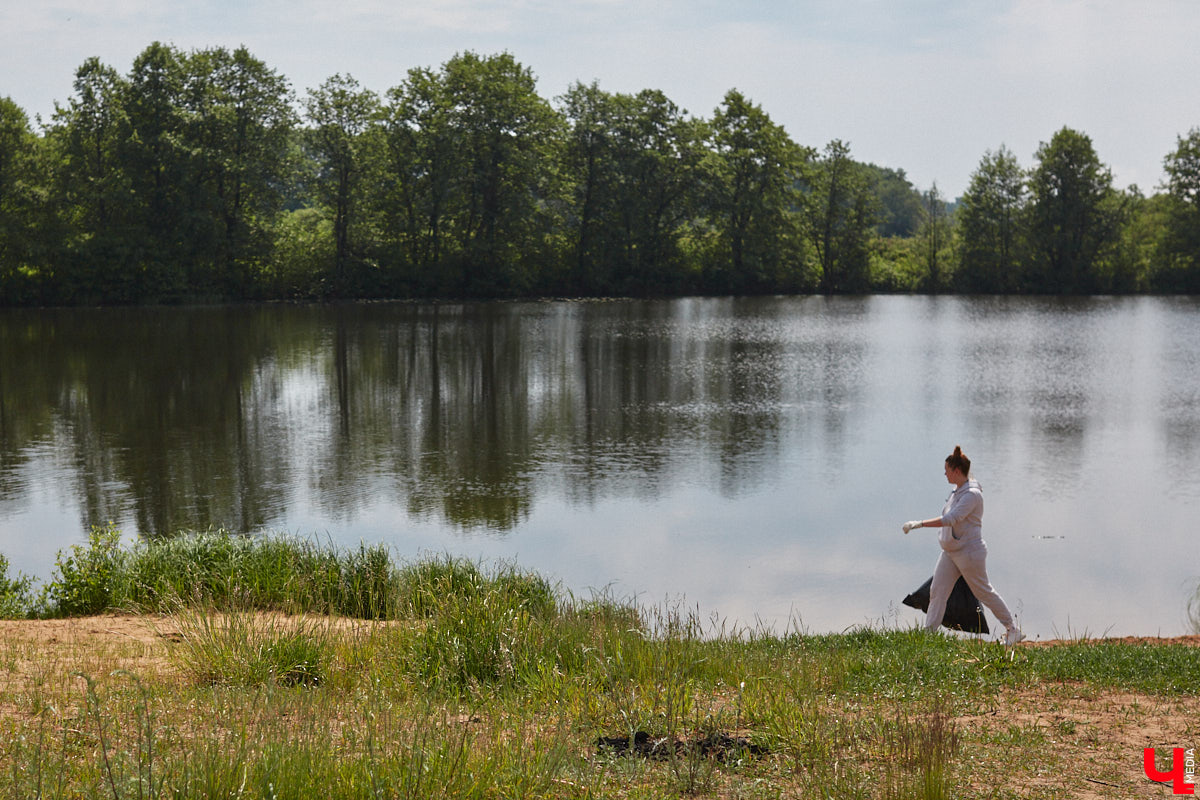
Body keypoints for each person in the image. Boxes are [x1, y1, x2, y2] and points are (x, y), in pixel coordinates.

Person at [903, 446, 1025, 646]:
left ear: (956, 471)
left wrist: (920, 523)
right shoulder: (957, 491)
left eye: (947, 470)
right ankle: (928, 636)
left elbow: (952, 518)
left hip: (969, 553)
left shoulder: (972, 495)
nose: (944, 473)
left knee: (983, 591)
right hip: (951, 553)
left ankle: (1013, 629)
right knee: (937, 591)